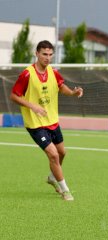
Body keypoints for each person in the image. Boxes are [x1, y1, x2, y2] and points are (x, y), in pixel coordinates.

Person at [10, 40, 83, 201]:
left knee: (62, 152)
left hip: (52, 121)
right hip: (36, 124)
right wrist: (32, 106)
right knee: (53, 155)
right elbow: (14, 95)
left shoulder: (53, 72)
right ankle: (65, 190)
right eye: (44, 54)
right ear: (36, 54)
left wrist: (72, 93)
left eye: (50, 54)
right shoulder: (27, 74)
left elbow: (60, 86)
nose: (47, 58)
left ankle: (52, 177)